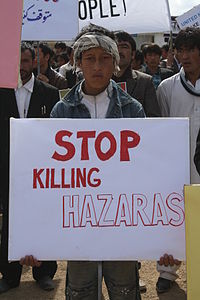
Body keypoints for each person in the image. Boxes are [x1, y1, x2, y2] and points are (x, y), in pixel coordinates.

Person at [21, 24, 145, 300]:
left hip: (119, 222)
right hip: (78, 226)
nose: (97, 66)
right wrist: (33, 238)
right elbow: (47, 177)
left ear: (114, 61)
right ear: (78, 63)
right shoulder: (62, 111)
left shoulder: (132, 109)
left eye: (104, 58)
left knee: (124, 289)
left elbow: (146, 173)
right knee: (80, 290)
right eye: (89, 58)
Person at [0, 42, 59, 294]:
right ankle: (10, 274)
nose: (20, 67)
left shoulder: (49, 92)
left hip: (42, 170)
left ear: (34, 61)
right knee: (10, 221)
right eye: (16, 62)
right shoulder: (1, 92)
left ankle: (44, 272)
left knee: (44, 218)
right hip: (7, 168)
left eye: (25, 61)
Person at [157, 26, 200, 293]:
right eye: (179, 50)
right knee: (174, 218)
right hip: (178, 165)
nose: (184, 56)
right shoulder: (166, 88)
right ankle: (167, 272)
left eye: (191, 49)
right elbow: (162, 129)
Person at [112, 31, 161, 117]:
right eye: (115, 46)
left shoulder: (145, 81)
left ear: (133, 54)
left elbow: (153, 118)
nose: (119, 51)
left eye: (124, 47)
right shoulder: (99, 80)